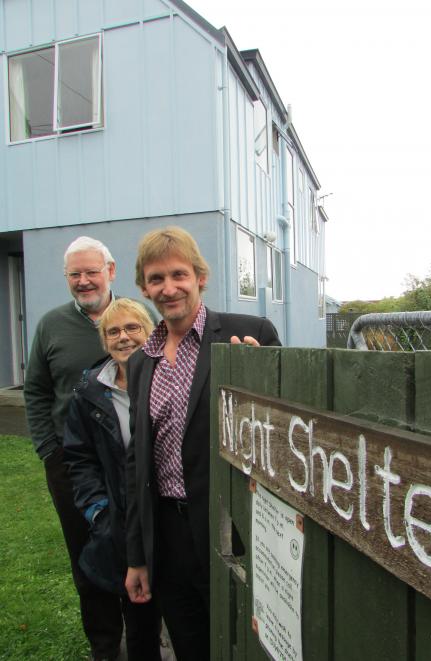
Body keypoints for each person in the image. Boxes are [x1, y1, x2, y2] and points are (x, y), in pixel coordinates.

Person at [124, 226, 281, 661]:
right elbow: (137, 464)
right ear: (143, 287)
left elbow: (285, 430)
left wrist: (262, 375)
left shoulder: (247, 334)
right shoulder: (142, 362)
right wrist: (138, 555)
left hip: (230, 526)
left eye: (179, 275)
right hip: (168, 534)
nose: (168, 288)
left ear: (200, 277)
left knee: (243, 642)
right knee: (191, 642)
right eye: (156, 279)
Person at [24, 237, 125, 661]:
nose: (84, 281)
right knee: (86, 553)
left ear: (111, 271)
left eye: (91, 271)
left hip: (129, 459)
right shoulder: (51, 325)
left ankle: (145, 635)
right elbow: (36, 390)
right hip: (70, 464)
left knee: (141, 544)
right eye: (75, 274)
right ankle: (105, 646)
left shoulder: (137, 318)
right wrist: (50, 449)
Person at [64, 298, 162, 661]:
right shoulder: (89, 391)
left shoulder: (169, 379)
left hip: (169, 516)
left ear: (149, 333)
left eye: (133, 328)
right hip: (121, 522)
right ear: (104, 340)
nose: (124, 337)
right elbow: (79, 456)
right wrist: (99, 513)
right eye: (113, 331)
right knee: (138, 615)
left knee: (183, 614)